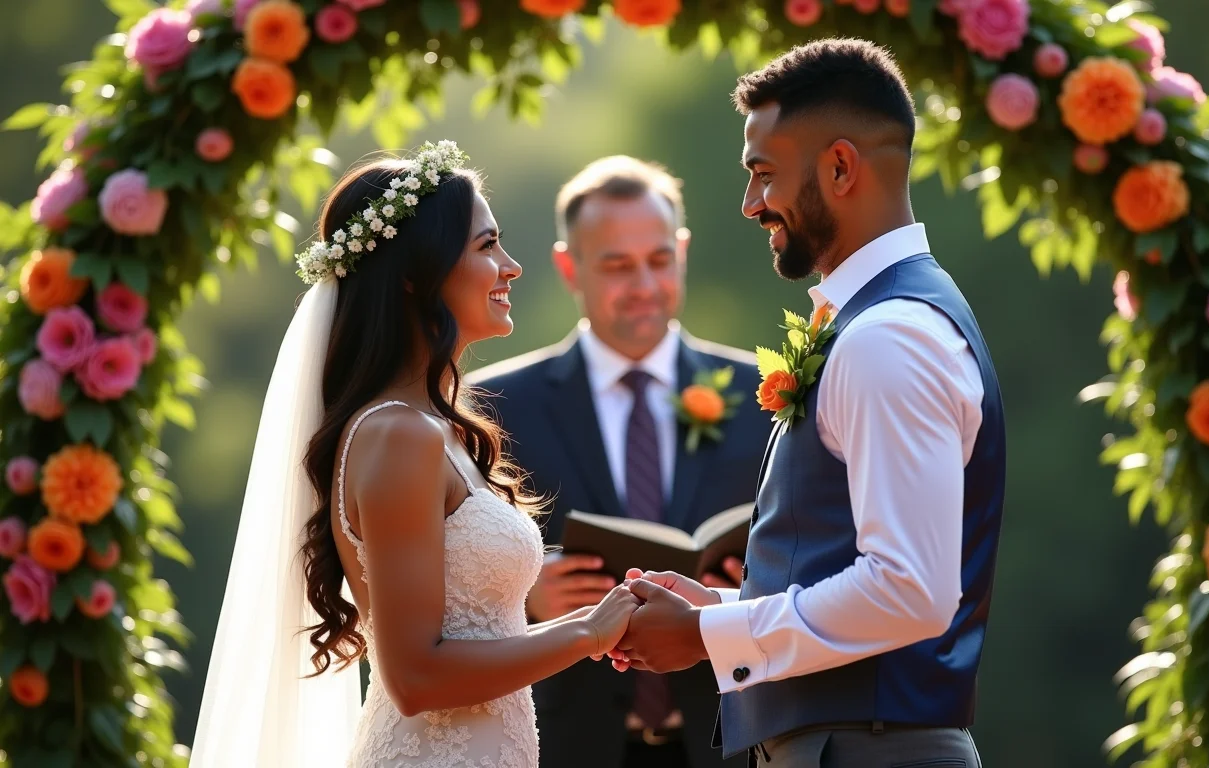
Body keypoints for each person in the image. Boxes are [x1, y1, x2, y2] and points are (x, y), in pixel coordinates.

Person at [608, 39, 1007, 768]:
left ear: (841, 167)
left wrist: (706, 638)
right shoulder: (875, 321)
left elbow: (911, 590)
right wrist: (719, 612)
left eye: (763, 175)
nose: (751, 204)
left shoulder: (889, 335)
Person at [189, 142, 642, 768]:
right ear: (414, 275)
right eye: (487, 247)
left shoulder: (435, 430)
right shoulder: (398, 435)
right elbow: (416, 678)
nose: (511, 267)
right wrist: (587, 632)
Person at [466, 156, 771, 768]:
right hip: (564, 743)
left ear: (681, 252)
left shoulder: (767, 393)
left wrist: (744, 597)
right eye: (616, 265)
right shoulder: (491, 405)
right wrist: (523, 599)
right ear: (567, 266)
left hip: (735, 738)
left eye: (659, 260)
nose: (643, 285)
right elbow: (448, 580)